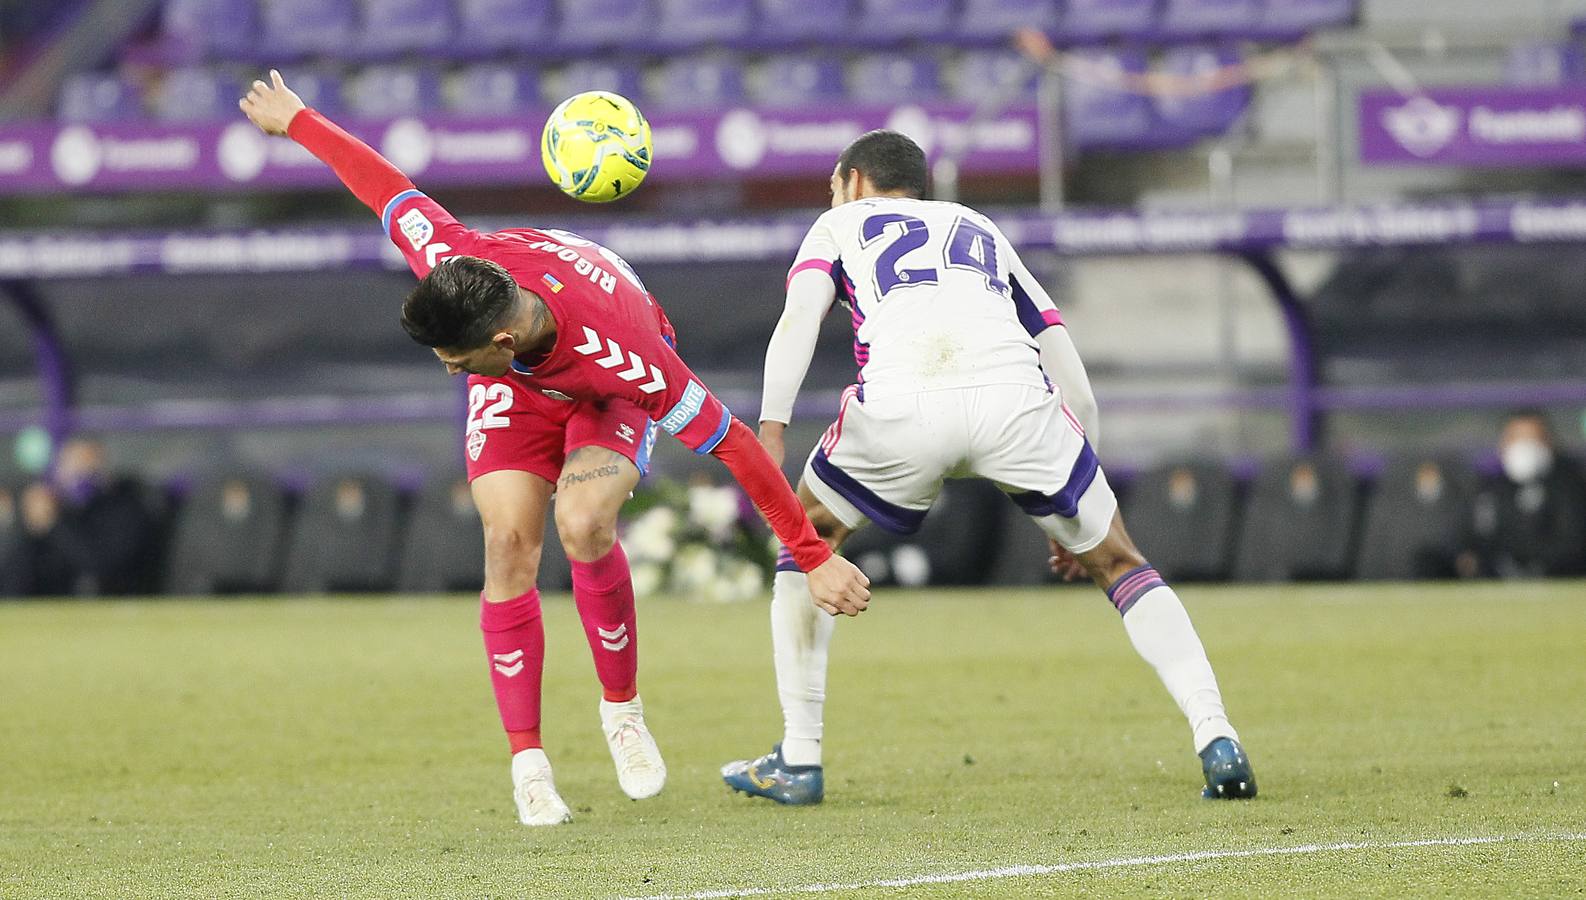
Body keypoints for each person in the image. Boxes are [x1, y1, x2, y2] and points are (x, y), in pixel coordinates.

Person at [239, 71, 869, 826]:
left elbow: (734, 446)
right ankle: (529, 764)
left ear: (499, 341)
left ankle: (622, 712)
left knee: (584, 523)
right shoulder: (451, 257)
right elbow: (385, 187)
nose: (448, 369)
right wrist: (299, 119)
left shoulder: (629, 359)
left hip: (597, 387)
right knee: (508, 542)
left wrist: (810, 552)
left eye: (457, 359)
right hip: (524, 386)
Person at [721, 131, 1256, 805]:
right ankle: (1217, 736)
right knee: (1120, 563)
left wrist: (771, 431)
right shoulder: (978, 227)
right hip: (1017, 404)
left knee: (806, 543)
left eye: (835, 186)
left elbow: (798, 321)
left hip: (904, 408)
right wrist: (1070, 496)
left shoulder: (838, 224)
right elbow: (1064, 360)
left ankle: (799, 758)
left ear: (852, 180)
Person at [0, 437, 160, 597]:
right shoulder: (61, 507)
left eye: (86, 465)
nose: (78, 474)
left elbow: (100, 566)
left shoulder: (125, 509)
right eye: (70, 467)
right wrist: (26, 521)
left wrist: (54, 524)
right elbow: (18, 575)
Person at [1458, 411, 1586, 578]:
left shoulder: (1570, 484)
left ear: (1549, 442)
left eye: (1533, 438)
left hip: (1558, 575)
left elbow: (1573, 543)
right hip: (1498, 577)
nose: (1525, 446)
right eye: (1517, 438)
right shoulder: (1489, 487)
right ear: (1503, 443)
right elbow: (1475, 539)